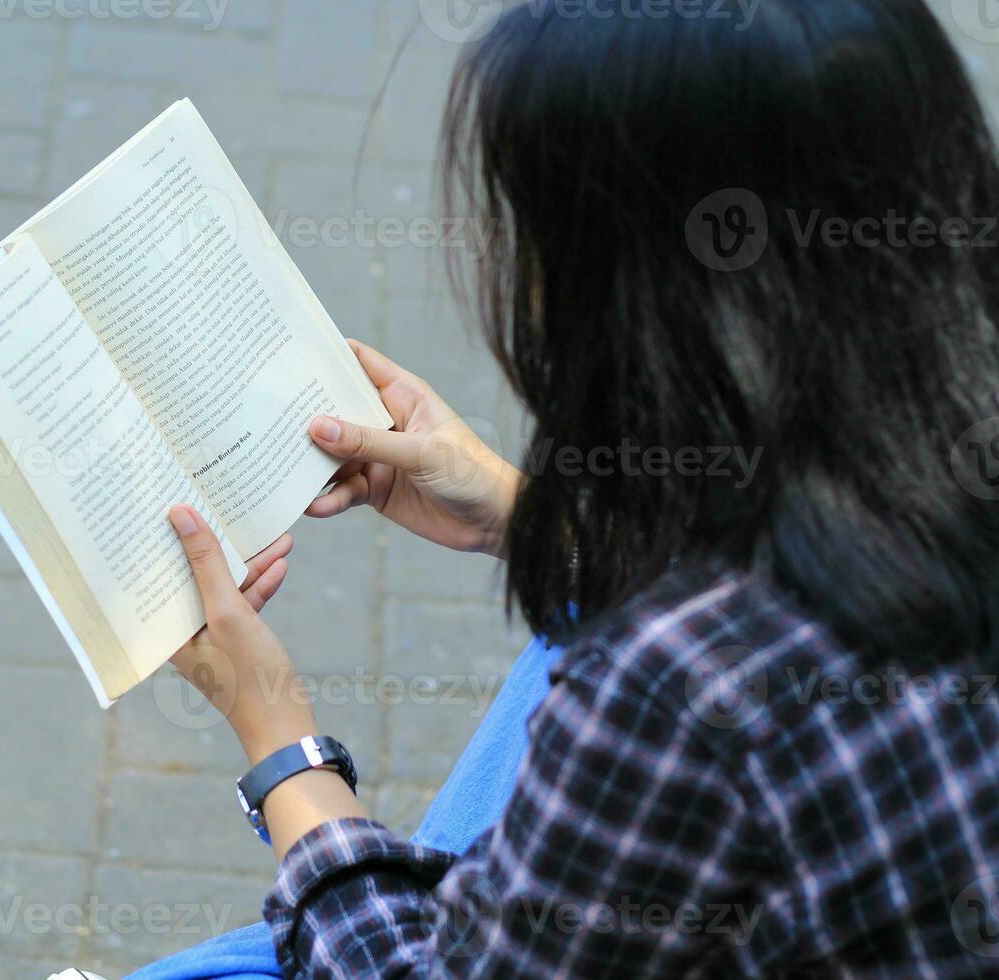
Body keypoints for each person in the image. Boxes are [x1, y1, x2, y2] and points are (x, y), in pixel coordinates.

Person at [160, 0, 999, 975]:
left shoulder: (674, 694)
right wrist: (522, 517)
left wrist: (278, 735)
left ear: (644, 288)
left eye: (537, 230)